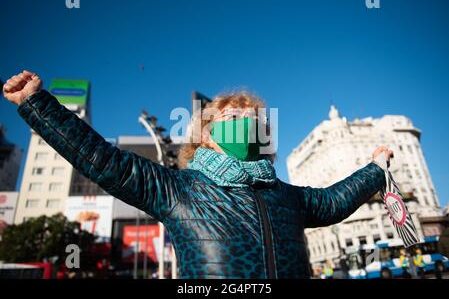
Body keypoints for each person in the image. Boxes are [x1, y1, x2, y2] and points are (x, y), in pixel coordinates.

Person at [3, 70, 393, 279]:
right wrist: (38, 104)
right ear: (205, 134)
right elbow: (102, 160)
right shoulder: (178, 189)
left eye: (251, 120)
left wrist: (376, 169)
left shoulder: (288, 196)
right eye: (230, 118)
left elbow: (335, 200)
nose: (243, 123)